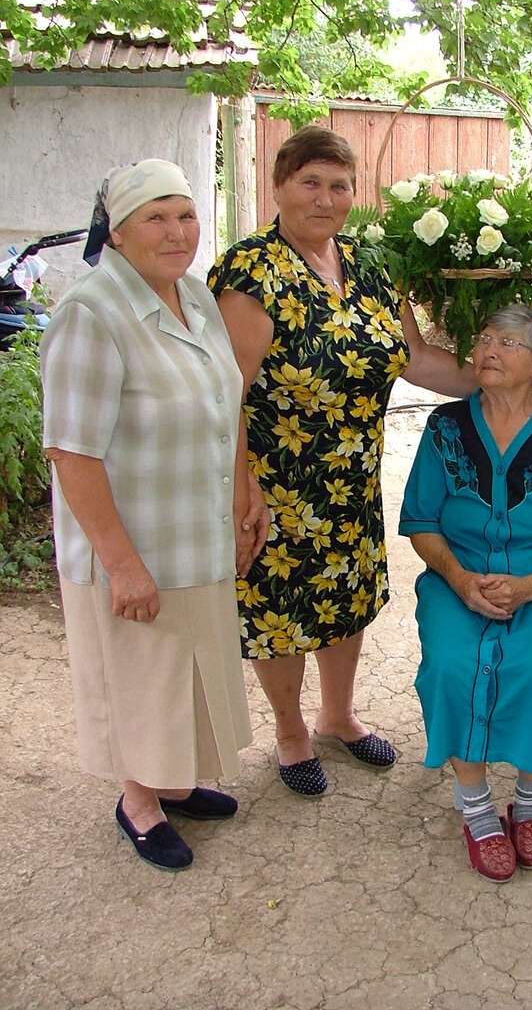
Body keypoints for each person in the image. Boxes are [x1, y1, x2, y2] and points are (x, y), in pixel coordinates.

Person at [208, 125, 477, 798]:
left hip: (352, 476)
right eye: (311, 183)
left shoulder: (369, 262)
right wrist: (242, 487)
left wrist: (497, 378)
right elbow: (225, 393)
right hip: (276, 482)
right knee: (281, 609)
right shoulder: (250, 272)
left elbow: (411, 357)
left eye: (340, 185)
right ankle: (291, 731)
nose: (326, 199)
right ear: (279, 186)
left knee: (345, 597)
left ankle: (337, 715)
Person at [41, 159, 268, 872]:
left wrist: (242, 492)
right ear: (116, 230)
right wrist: (122, 565)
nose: (177, 232)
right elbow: (71, 452)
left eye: (186, 214)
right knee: (144, 677)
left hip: (194, 530)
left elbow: (225, 399)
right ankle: (139, 801)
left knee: (190, 667)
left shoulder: (195, 298)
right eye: (155, 217)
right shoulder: (92, 313)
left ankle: (174, 779)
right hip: (134, 544)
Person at [399, 306, 532, 881]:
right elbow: (421, 522)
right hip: (457, 579)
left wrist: (528, 587)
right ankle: (475, 804)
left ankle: (529, 794)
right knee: (449, 664)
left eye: (509, 343)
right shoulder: (445, 427)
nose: (490, 349)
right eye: (486, 338)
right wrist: (461, 581)